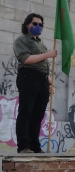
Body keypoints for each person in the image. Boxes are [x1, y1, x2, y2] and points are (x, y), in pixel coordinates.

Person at [13, 13, 57, 153]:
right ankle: (24, 145)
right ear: (27, 25)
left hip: (42, 79)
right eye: (35, 24)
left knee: (38, 114)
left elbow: (44, 66)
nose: (38, 27)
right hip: (28, 76)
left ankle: (34, 145)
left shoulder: (40, 44)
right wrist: (48, 54)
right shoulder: (22, 40)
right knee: (26, 111)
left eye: (41, 25)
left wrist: (50, 83)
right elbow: (25, 59)